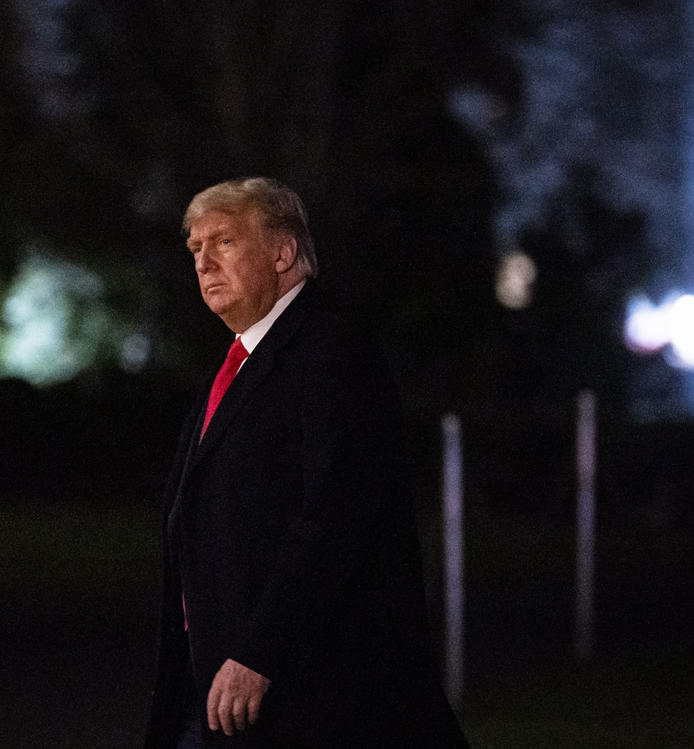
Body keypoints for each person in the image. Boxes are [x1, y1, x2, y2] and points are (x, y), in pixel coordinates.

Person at [144, 177, 469, 748]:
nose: (203, 262)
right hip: (221, 686)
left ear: (282, 251)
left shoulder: (332, 351)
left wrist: (259, 652)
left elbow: (336, 518)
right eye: (195, 249)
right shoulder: (242, 356)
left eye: (222, 242)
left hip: (309, 697)